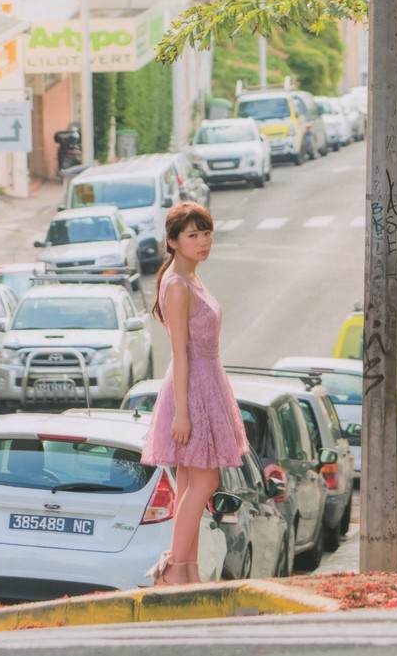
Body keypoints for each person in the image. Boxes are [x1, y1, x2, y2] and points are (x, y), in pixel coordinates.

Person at [141, 201, 248, 585]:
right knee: (205, 482)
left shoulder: (190, 278)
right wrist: (182, 413)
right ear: (172, 241)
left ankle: (189, 571)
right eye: (193, 235)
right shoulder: (176, 285)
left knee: (189, 483)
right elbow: (180, 352)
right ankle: (172, 567)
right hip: (192, 386)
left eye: (206, 233)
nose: (203, 241)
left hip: (206, 381)